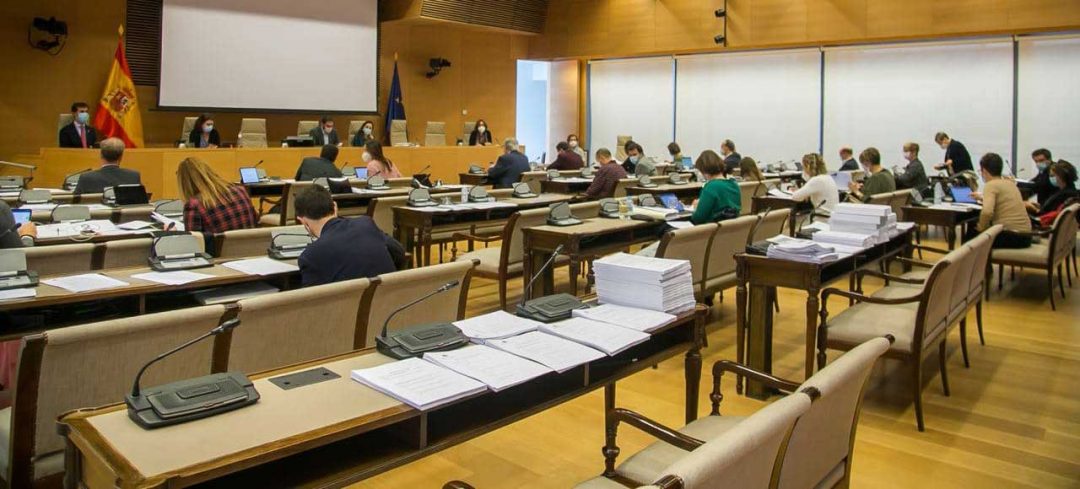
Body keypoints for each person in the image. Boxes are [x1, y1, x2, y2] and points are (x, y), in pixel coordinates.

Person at [294, 186, 405, 287]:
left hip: (350, 302)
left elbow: (312, 298)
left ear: (302, 221)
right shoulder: (366, 224)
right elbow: (398, 251)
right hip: (393, 298)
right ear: (335, 206)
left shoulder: (310, 256)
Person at [177, 157, 257, 236]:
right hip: (251, 244)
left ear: (184, 183)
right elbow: (255, 220)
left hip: (219, 245)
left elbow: (192, 241)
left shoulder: (194, 205)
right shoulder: (241, 190)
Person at [968, 153, 1031, 249]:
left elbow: (987, 212)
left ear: (984, 170)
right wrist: (982, 198)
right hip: (1026, 236)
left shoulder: (990, 185)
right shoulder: (1010, 184)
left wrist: (981, 228)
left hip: (1011, 236)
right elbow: (1003, 201)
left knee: (971, 235)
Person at [73, 138, 141, 195]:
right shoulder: (133, 176)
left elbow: (74, 202)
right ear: (121, 157)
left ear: (101, 155)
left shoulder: (86, 178)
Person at [690, 150, 741, 224]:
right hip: (732, 228)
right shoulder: (734, 185)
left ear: (704, 170)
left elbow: (698, 219)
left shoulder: (711, 187)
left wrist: (696, 208)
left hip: (711, 228)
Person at [1031, 160, 1078, 227]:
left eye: (1052, 175)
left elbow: (1046, 215)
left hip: (1043, 225)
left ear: (1061, 176)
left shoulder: (1065, 195)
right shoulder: (1069, 191)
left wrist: (1032, 208)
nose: (1050, 178)